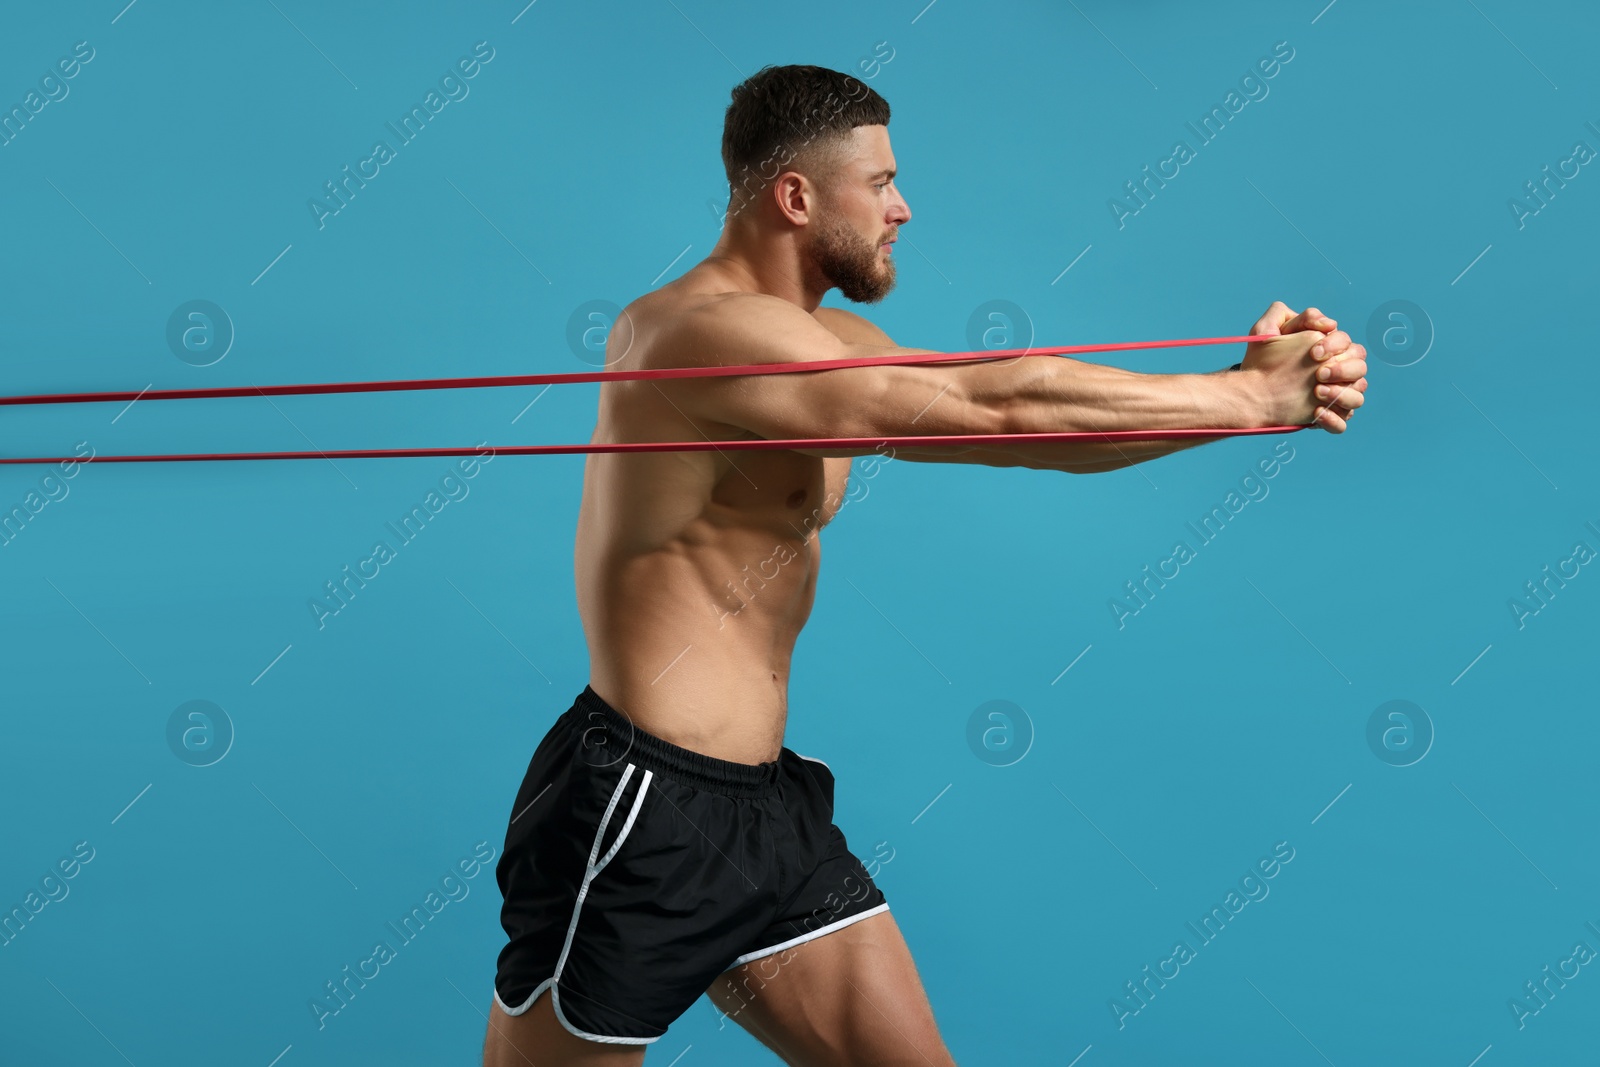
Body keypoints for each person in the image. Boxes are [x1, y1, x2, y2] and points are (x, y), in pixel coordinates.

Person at [482, 64, 1368, 1067]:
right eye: (883, 182)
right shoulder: (694, 331)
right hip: (640, 807)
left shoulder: (831, 339)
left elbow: (1027, 422)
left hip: (764, 805)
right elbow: (994, 412)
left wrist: (1233, 400)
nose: (904, 207)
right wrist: (1247, 401)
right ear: (797, 197)